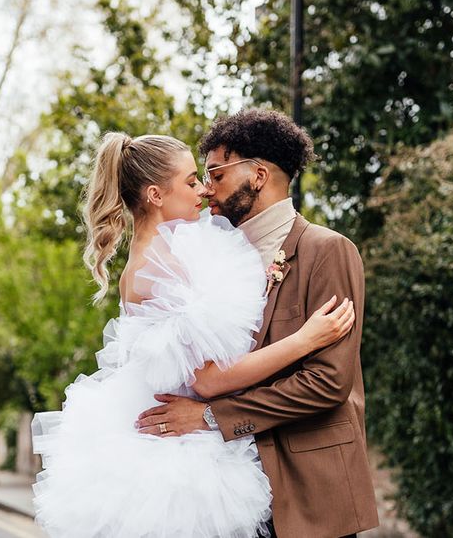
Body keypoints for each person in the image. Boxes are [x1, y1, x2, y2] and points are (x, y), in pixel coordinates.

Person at [31, 132, 355, 538]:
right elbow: (210, 378)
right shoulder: (160, 267)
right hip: (184, 461)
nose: (202, 189)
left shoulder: (168, 253)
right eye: (191, 181)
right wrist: (305, 340)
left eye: (206, 177)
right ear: (155, 194)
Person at [136, 110, 380, 538]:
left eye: (215, 174)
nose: (207, 189)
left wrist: (212, 417)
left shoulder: (329, 250)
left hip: (312, 492)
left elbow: (327, 383)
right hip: (231, 494)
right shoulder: (208, 259)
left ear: (259, 175)